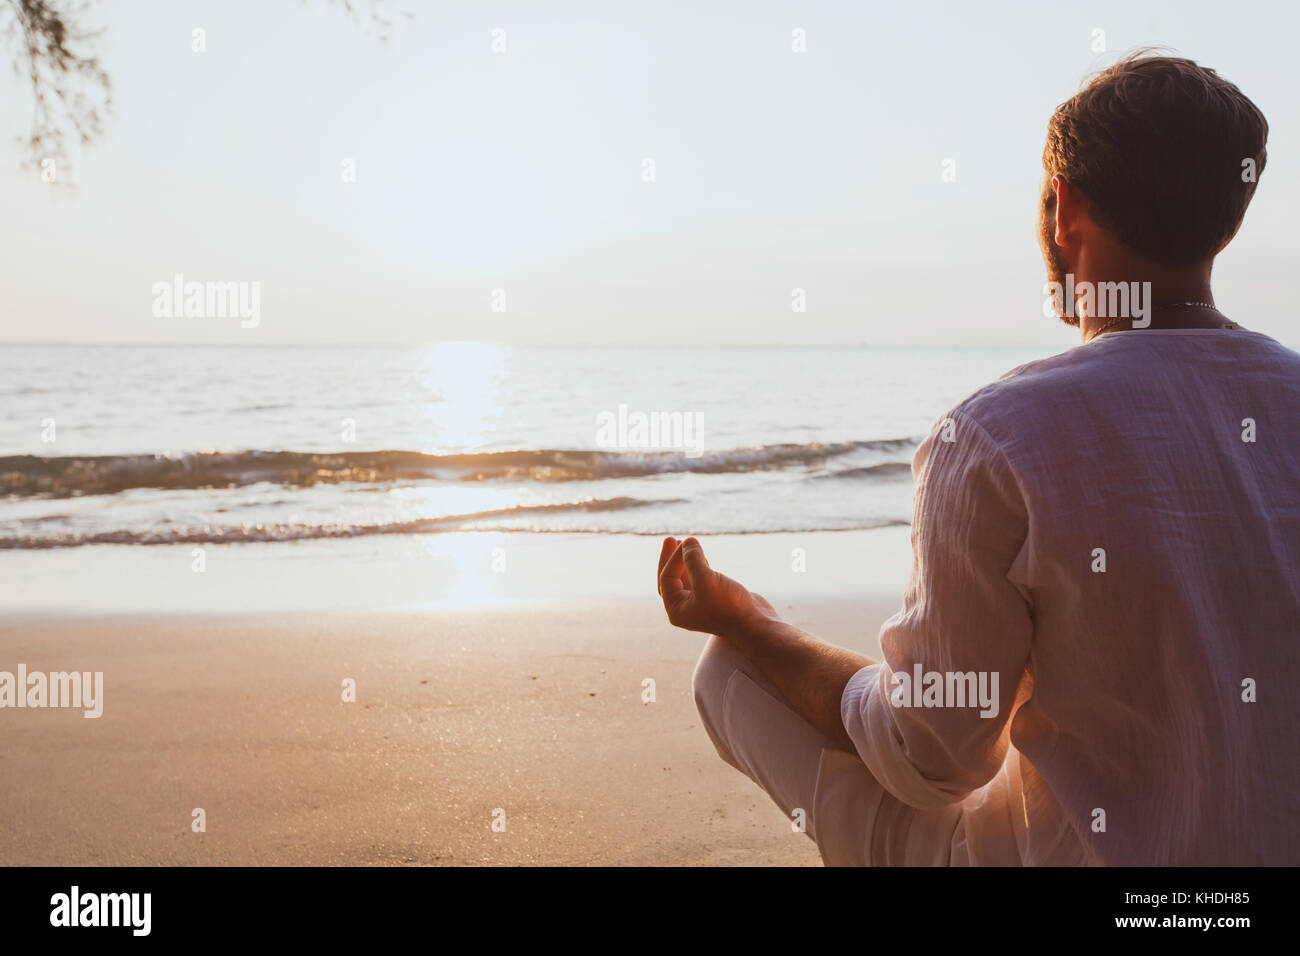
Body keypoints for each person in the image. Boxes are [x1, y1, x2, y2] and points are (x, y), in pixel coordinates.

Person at [657, 52, 1299, 866]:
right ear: (1230, 222)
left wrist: (749, 623)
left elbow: (932, 760)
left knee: (730, 673)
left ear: (1065, 207)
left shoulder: (1002, 432)